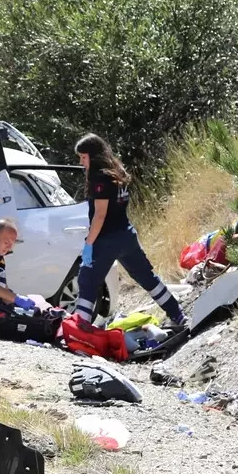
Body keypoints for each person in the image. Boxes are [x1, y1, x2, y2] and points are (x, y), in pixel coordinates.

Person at [73, 133, 188, 331]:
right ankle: (178, 315)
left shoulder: (99, 178)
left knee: (87, 280)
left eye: (83, 157)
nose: (82, 162)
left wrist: (89, 244)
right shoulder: (117, 172)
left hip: (106, 240)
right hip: (127, 236)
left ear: (93, 155)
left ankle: (79, 330)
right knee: (148, 278)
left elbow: (100, 216)